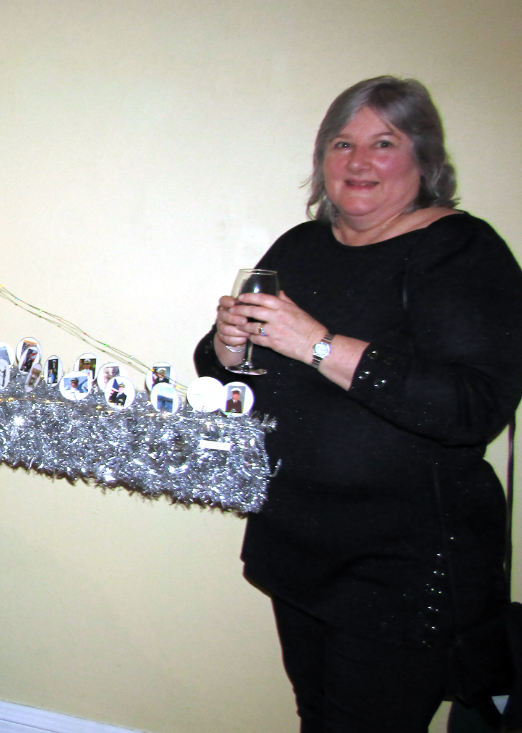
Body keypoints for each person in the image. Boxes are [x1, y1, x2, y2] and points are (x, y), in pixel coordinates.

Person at [195, 76, 522, 731]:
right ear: (322, 161)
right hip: (298, 544)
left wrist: (318, 344)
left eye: (384, 142)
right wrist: (229, 350)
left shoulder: (461, 250)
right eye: (342, 143)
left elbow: (473, 407)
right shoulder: (300, 245)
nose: (358, 160)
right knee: (317, 715)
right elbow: (229, 373)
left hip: (401, 564)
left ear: (425, 160)